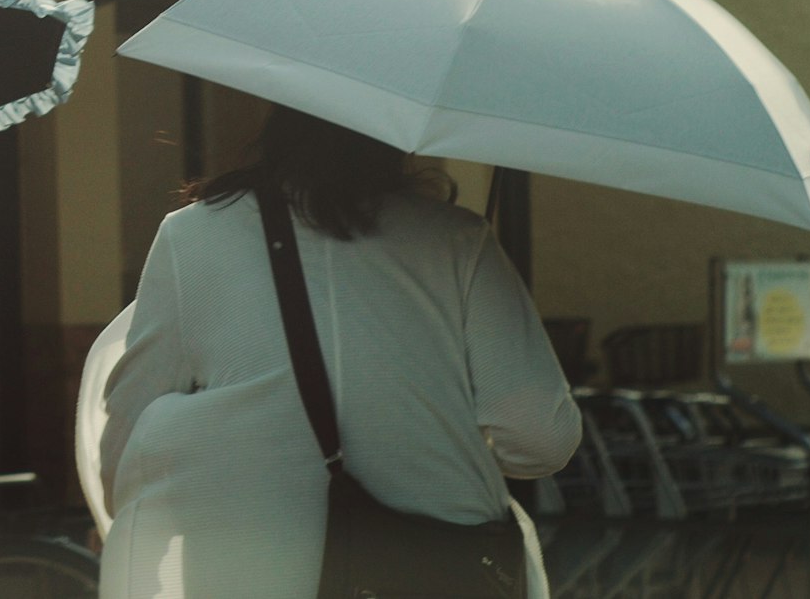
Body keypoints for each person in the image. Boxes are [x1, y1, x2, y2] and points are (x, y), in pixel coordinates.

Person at [86, 107, 580, 599]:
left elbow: (129, 431)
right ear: (393, 141)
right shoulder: (458, 240)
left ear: (278, 129)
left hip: (251, 566)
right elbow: (542, 440)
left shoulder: (193, 235)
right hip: (441, 564)